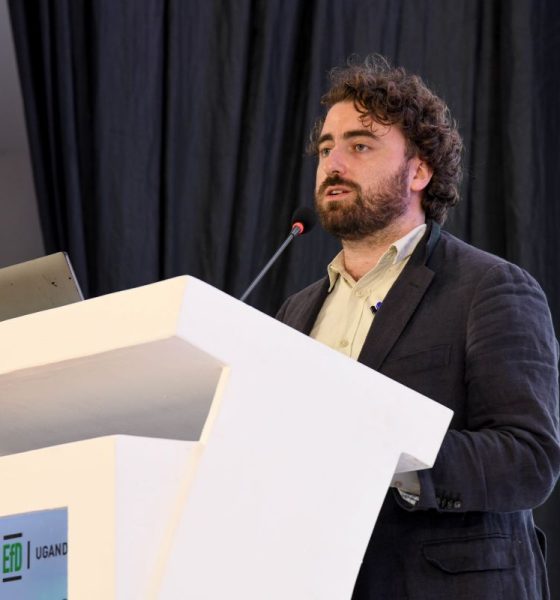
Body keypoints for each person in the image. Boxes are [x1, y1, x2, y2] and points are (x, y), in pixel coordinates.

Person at [276, 56, 560, 599]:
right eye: (326, 148)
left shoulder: (491, 288)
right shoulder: (294, 312)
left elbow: (528, 458)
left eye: (360, 145)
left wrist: (386, 454)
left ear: (419, 172)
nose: (334, 162)